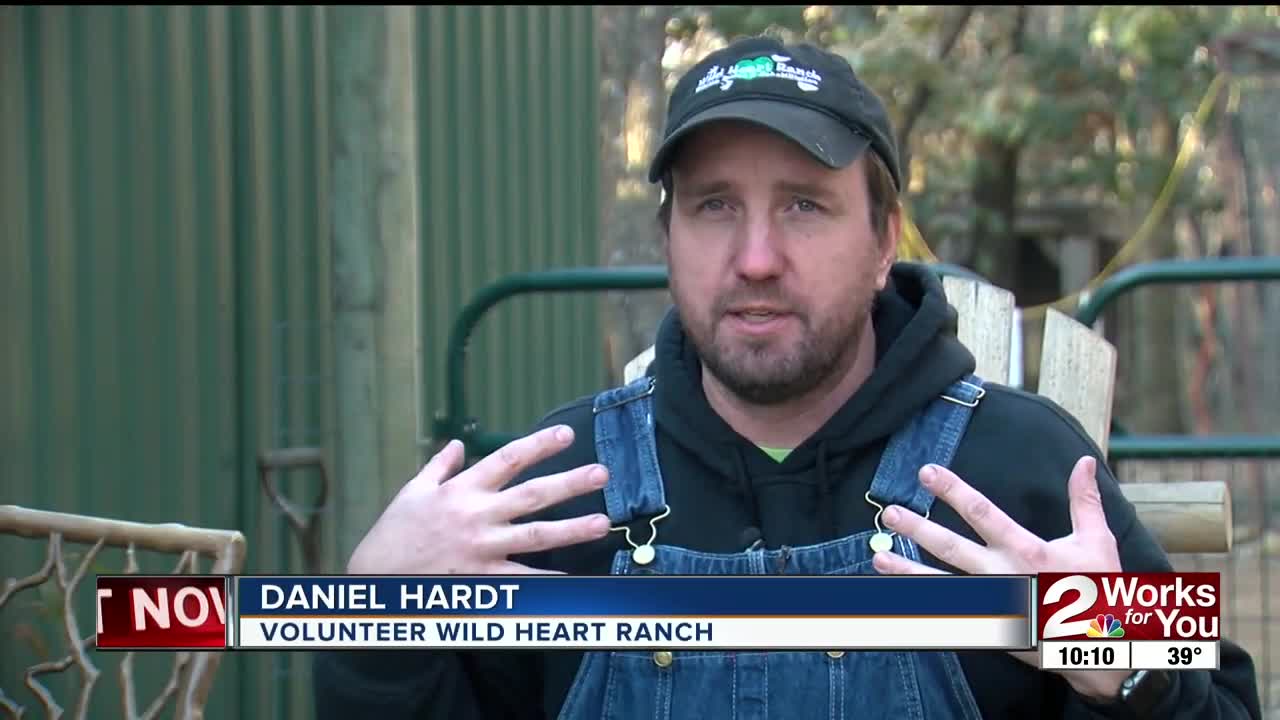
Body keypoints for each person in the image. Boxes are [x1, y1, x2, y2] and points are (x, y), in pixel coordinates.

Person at [313, 35, 1262, 719]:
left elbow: (1216, 703)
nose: (756, 257)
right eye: (715, 206)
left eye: (805, 206)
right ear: (669, 239)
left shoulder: (1023, 471)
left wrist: (1129, 672)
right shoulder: (561, 502)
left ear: (885, 237)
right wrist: (372, 624)